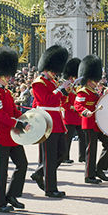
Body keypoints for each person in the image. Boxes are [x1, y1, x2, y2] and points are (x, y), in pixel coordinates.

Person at [0, 47, 28, 212]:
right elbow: (0, 116)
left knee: (22, 164)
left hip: (13, 136)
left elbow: (13, 111)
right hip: (1, 136)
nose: (9, 78)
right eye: (6, 76)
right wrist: (18, 123)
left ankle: (12, 195)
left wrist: (26, 118)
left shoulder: (7, 93)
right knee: (1, 171)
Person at [30, 45, 71, 198]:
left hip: (57, 122)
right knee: (50, 157)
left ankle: (39, 172)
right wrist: (60, 90)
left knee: (61, 153)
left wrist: (66, 91)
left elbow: (60, 101)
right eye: (53, 70)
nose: (55, 73)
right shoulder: (38, 83)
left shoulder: (53, 82)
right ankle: (50, 188)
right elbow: (46, 101)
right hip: (46, 122)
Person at [74, 55, 108, 184]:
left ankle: (100, 169)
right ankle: (89, 175)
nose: (96, 82)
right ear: (89, 80)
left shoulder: (94, 92)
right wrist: (85, 111)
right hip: (89, 123)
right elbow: (78, 105)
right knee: (91, 149)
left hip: (98, 124)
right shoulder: (83, 92)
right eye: (94, 80)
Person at [61, 57, 83, 165]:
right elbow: (63, 102)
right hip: (70, 116)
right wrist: (71, 107)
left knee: (83, 136)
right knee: (67, 138)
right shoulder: (67, 87)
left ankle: (82, 156)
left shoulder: (77, 86)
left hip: (78, 116)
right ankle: (65, 157)